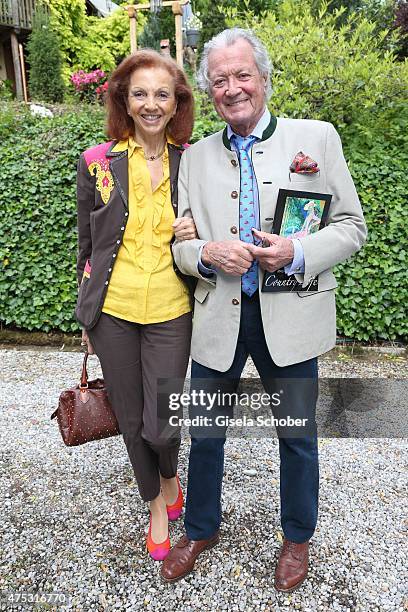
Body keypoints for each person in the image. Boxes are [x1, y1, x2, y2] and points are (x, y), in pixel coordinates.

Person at [161, 28, 367, 590]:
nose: (232, 88)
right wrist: (204, 252)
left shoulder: (316, 139)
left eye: (241, 75)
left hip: (290, 316)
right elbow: (180, 246)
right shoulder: (196, 157)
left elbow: (353, 227)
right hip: (219, 317)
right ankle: (201, 528)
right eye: (220, 80)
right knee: (204, 431)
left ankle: (296, 538)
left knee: (297, 435)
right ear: (209, 90)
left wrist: (297, 251)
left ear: (264, 78)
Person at [75, 50, 197, 561]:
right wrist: (86, 315)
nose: (151, 103)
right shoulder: (96, 161)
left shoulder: (194, 161)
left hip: (172, 309)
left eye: (162, 94)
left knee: (162, 423)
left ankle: (170, 473)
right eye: (140, 93)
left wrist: (197, 232)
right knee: (130, 420)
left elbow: (215, 229)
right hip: (114, 312)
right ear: (124, 99)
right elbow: (86, 243)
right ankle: (155, 501)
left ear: (176, 104)